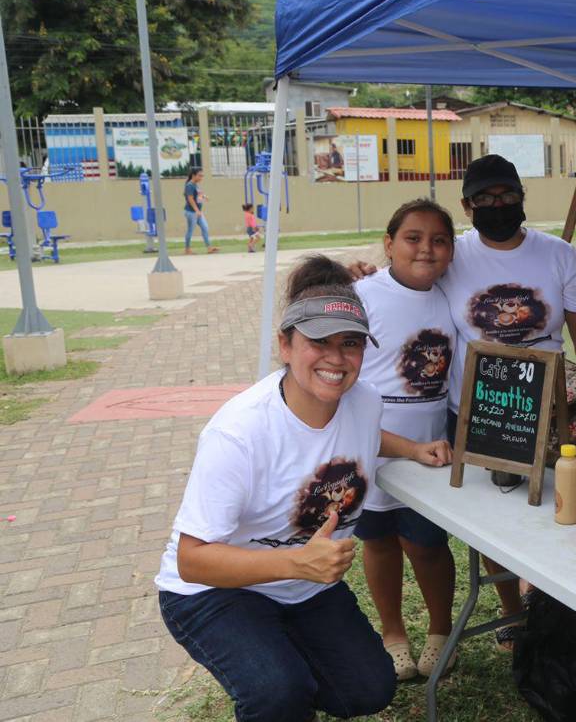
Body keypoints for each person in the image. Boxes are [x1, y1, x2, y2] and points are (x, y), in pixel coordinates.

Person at [156, 256, 451, 721]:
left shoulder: (364, 400)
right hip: (214, 590)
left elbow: (365, 435)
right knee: (278, 692)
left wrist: (413, 449)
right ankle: (275, 674)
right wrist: (295, 561)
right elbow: (191, 560)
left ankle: (280, 653)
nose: (336, 358)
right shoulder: (239, 432)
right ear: (286, 346)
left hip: (303, 587)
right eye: (319, 341)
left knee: (369, 689)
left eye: (350, 344)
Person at [440, 154, 576, 648]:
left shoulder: (557, 254)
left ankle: (560, 608)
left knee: (558, 511)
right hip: (479, 411)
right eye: (484, 198)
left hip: (550, 411)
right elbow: (404, 278)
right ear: (467, 206)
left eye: (507, 195)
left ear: (522, 197)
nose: (497, 205)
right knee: (492, 521)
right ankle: (513, 609)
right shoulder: (453, 256)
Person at [353, 199, 459, 680]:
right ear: (389, 243)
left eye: (439, 240)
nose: (426, 249)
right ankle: (392, 634)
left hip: (429, 449)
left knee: (428, 545)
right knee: (378, 542)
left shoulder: (452, 294)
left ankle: (441, 631)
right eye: (413, 238)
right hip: (370, 446)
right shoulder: (362, 294)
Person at [184, 167, 218, 254]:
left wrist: (204, 197)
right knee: (190, 230)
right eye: (199, 176)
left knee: (205, 228)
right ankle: (187, 249)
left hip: (197, 212)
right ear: (193, 175)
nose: (201, 178)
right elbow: (190, 199)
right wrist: (197, 210)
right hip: (191, 212)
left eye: (202, 176)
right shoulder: (190, 185)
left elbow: (198, 194)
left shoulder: (195, 184)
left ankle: (209, 248)